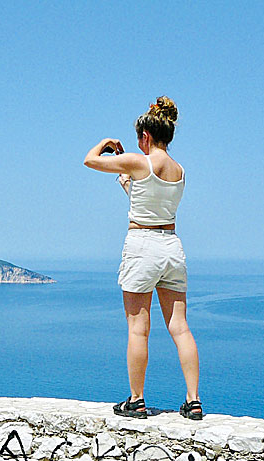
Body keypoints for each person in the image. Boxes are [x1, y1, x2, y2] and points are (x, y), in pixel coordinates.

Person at [83, 96, 201, 420]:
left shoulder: (139, 161)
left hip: (142, 246)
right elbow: (155, 205)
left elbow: (89, 161)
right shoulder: (179, 171)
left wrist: (104, 143)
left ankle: (136, 400)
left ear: (145, 136)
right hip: (172, 247)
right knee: (180, 327)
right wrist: (129, 186)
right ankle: (193, 400)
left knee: (138, 328)